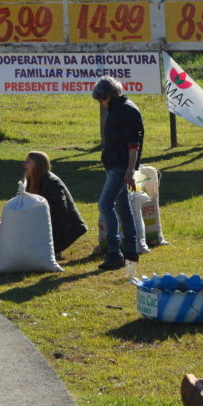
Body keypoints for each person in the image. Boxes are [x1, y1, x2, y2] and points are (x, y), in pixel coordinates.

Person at [91, 76, 143, 271]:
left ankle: (114, 252)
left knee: (105, 204)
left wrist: (130, 169)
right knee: (123, 208)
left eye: (101, 100)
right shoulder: (117, 109)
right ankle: (130, 251)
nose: (101, 104)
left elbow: (133, 143)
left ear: (109, 96)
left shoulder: (126, 110)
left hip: (120, 167)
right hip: (115, 165)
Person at [24, 151, 88, 261]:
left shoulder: (52, 182)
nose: (25, 165)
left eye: (28, 162)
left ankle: (55, 248)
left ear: (37, 165)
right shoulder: (31, 180)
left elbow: (60, 207)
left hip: (66, 226)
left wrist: (38, 206)